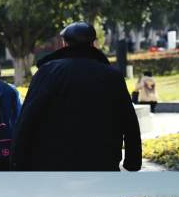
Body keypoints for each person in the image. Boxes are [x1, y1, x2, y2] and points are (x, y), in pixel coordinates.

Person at [11, 22, 142, 171]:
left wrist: (17, 161)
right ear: (94, 44)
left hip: (53, 163)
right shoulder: (112, 76)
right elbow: (129, 120)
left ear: (64, 43)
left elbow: (28, 118)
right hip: (102, 161)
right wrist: (133, 161)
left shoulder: (47, 72)